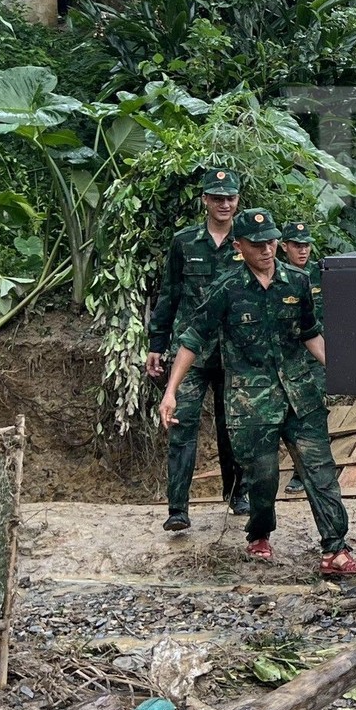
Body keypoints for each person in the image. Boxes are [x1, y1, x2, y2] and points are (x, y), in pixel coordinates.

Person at [162, 208, 356, 577]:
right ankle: (259, 533)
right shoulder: (226, 289)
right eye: (257, 244)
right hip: (251, 403)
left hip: (299, 396)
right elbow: (192, 340)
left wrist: (340, 369)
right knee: (263, 477)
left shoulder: (298, 282)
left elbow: (310, 334)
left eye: (271, 241)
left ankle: (335, 548)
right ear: (239, 246)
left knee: (320, 472)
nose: (267, 250)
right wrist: (171, 391)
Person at [145, 166, 247, 533]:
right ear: (204, 200)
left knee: (233, 426)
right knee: (181, 425)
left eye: (230, 198)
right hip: (191, 353)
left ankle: (237, 495)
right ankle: (177, 509)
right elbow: (169, 294)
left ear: (237, 201)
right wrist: (157, 344)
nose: (224, 204)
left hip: (236, 352)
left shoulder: (247, 240)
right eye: (217, 198)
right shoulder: (184, 242)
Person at [279, 219, 322, 495]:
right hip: (287, 355)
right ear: (284, 247)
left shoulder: (321, 273)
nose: (302, 251)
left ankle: (302, 474)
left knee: (313, 414)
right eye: (297, 245)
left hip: (316, 355)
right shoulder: (276, 276)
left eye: (306, 245)